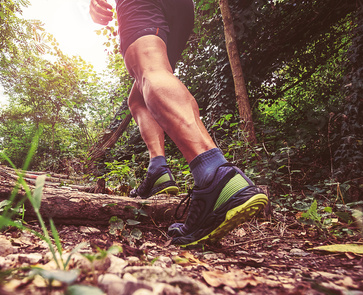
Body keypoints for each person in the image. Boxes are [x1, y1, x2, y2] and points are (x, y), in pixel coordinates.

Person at [89, 0, 268, 247]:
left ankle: (213, 173)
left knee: (149, 68)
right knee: (138, 98)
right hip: (183, 8)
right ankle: (158, 170)